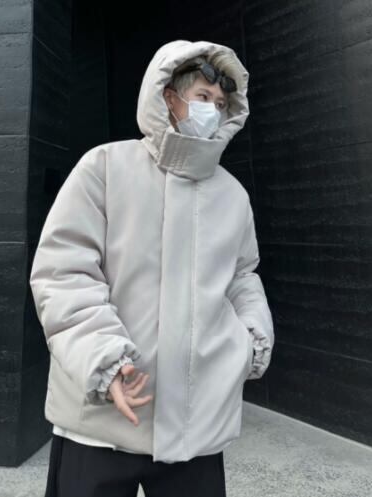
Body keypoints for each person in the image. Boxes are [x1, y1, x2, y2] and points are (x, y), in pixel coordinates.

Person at [30, 39, 274, 497]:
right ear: (169, 97)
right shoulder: (105, 168)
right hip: (101, 419)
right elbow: (63, 272)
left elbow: (243, 277)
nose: (213, 110)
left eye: (221, 103)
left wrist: (252, 341)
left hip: (198, 425)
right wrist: (105, 360)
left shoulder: (232, 195)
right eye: (202, 97)